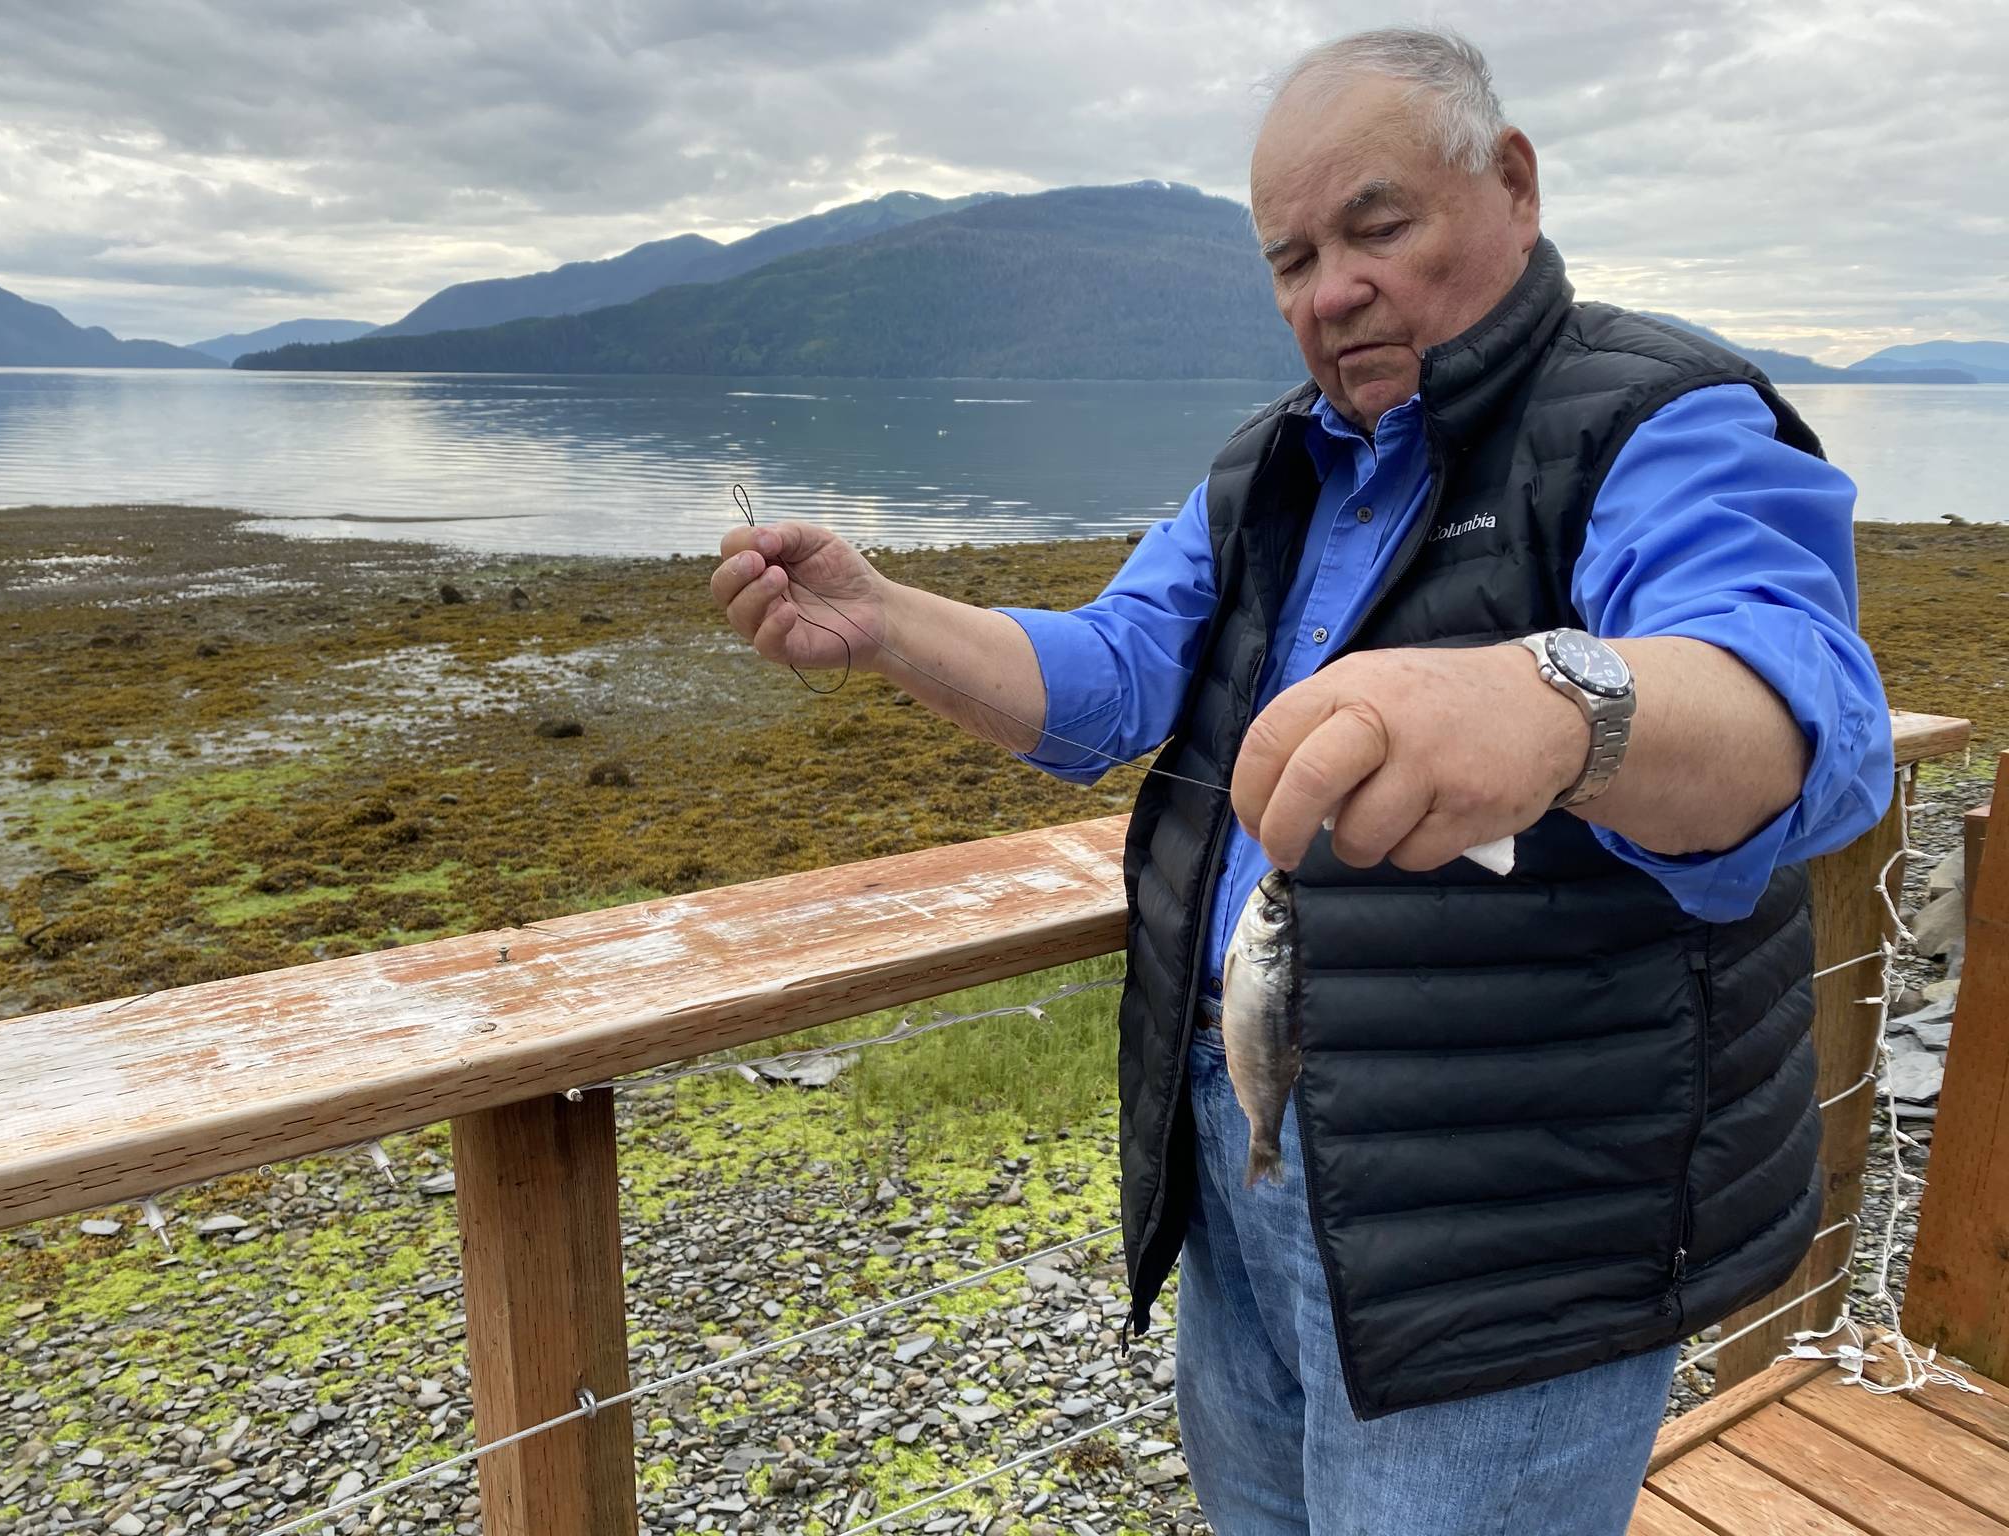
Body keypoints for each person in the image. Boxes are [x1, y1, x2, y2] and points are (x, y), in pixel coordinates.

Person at [711, 26, 1892, 1536]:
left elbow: (1809, 711)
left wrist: (1561, 699)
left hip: (1511, 1226)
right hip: (1239, 1136)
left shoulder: (1659, 421)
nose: (1331, 289)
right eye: (1291, 258)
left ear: (1513, 185)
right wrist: (886, 625)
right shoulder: (1269, 465)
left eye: (1377, 227)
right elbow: (1113, 675)